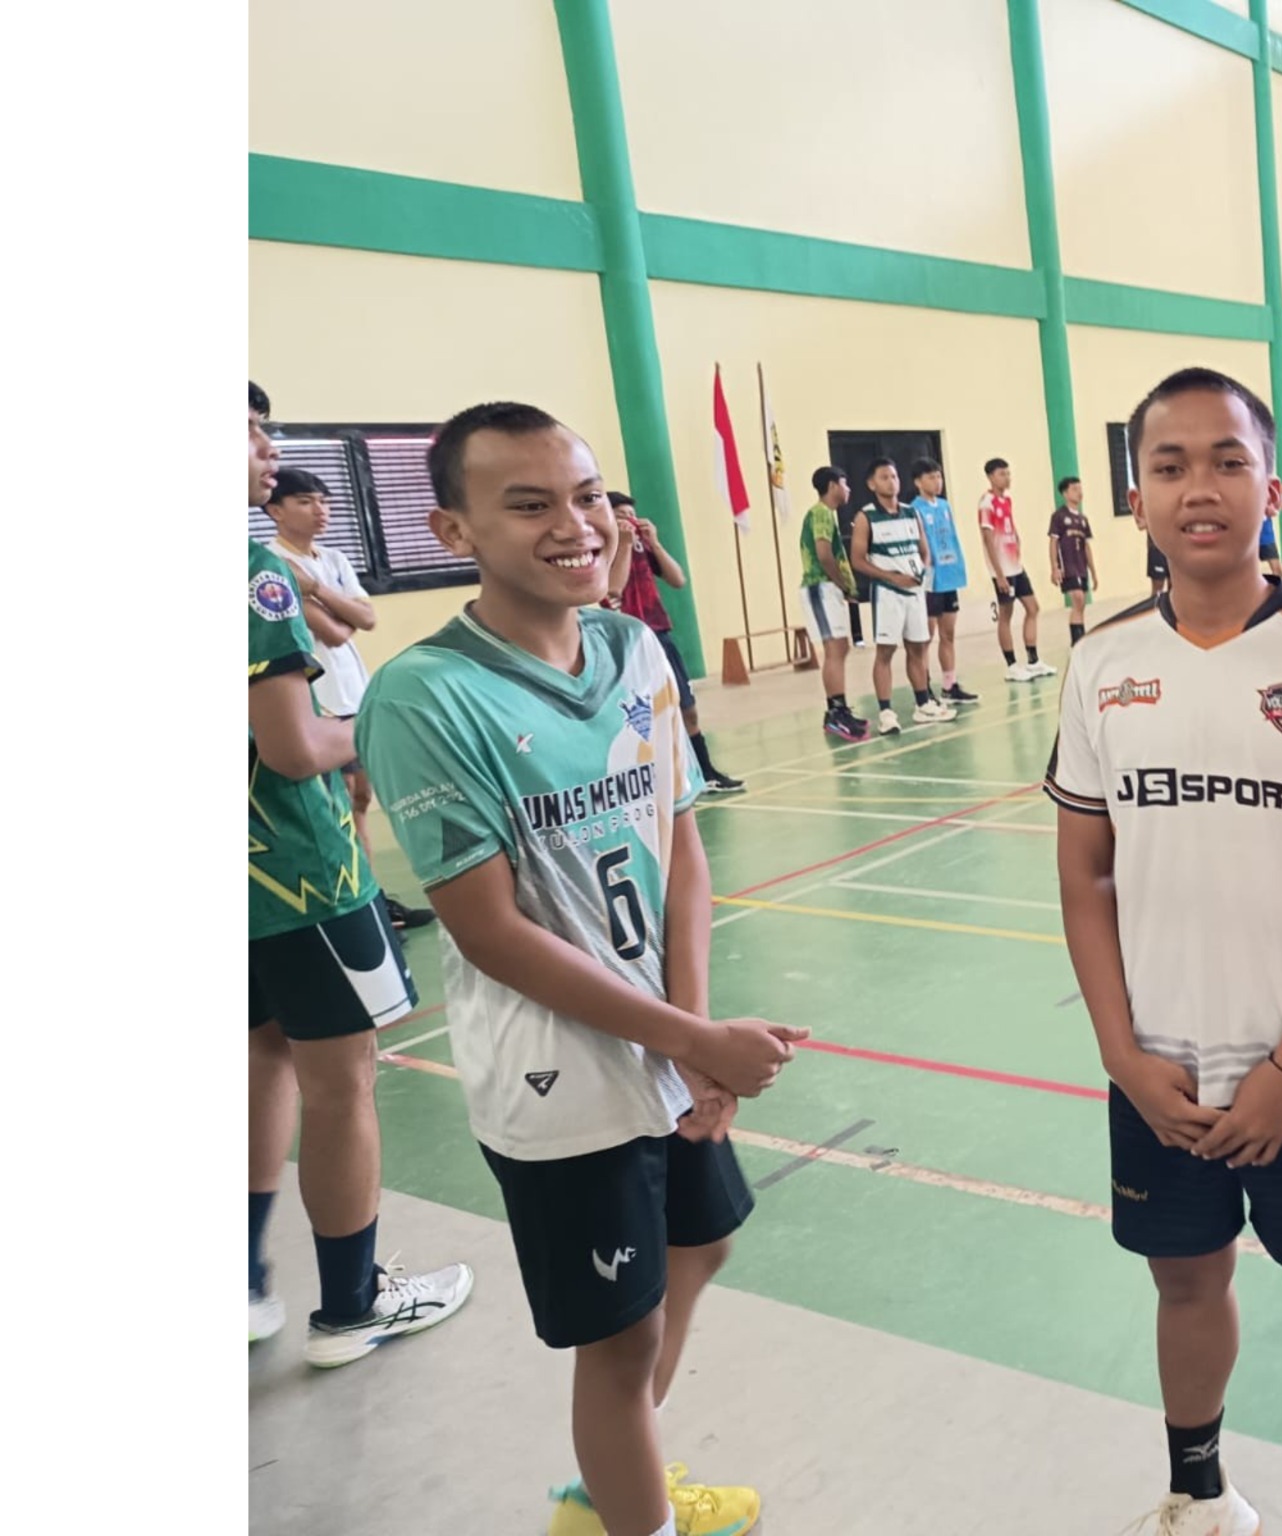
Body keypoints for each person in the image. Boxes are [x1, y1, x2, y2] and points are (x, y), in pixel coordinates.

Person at [359, 400, 809, 1536]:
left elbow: (681, 848)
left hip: (664, 1040)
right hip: (557, 1079)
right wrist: (692, 1041)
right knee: (619, 1339)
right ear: (453, 530)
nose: (576, 525)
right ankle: (626, 1511)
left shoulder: (630, 647)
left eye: (589, 495)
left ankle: (614, 1487)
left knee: (701, 1242)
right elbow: (488, 932)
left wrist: (694, 1039)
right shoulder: (426, 695)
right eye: (529, 505)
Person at [1051, 365, 1282, 1536]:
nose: (1198, 489)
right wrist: (1120, 1056)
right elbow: (1085, 874)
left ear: (1272, 486)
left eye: (1226, 461)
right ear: (1137, 497)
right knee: (1186, 1280)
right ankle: (1197, 1490)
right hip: (1160, 1069)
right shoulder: (1100, 662)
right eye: (1169, 466)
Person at [245, 382, 474, 1366]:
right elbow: (294, 748)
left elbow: (347, 629)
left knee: (259, 1058)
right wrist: (375, 726)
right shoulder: (249, 570)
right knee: (341, 1083)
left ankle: (242, 1282)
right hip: (294, 872)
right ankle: (351, 1306)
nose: (266, 448)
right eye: (249, 430)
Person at [262, 466, 434, 931]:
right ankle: (358, 905)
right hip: (317, 700)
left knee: (361, 797)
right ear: (275, 510)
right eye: (305, 501)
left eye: (324, 501)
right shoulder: (271, 564)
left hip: (354, 693)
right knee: (336, 805)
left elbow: (367, 618)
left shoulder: (333, 559)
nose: (320, 510)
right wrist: (339, 610)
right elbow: (338, 632)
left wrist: (316, 590)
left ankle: (375, 899)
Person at [603, 492, 744, 793]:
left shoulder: (641, 545)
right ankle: (655, 781)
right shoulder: (603, 549)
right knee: (643, 717)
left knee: (687, 707)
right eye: (621, 516)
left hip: (658, 633)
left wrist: (654, 542)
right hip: (626, 641)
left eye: (632, 515)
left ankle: (705, 772)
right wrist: (624, 544)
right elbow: (613, 589)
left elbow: (678, 579)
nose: (630, 521)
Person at [850, 458, 949, 734]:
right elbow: (857, 560)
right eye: (884, 477)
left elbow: (924, 550)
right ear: (871, 484)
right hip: (888, 594)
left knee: (918, 648)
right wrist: (892, 577)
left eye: (894, 476)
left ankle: (923, 704)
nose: (891, 482)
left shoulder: (911, 513)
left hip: (914, 592)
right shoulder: (865, 517)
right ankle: (886, 712)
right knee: (885, 652)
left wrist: (921, 571)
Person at [798, 465, 867, 741]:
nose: (848, 489)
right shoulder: (821, 513)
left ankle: (840, 708)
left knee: (840, 647)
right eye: (844, 483)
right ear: (832, 486)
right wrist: (842, 583)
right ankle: (835, 713)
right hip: (820, 587)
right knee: (834, 649)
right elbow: (824, 554)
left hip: (828, 588)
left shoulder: (827, 514)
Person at [910, 458, 980, 706]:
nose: (937, 481)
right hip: (930, 581)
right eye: (931, 477)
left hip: (950, 577)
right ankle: (924, 688)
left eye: (939, 476)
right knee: (925, 638)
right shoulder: (914, 509)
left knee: (948, 634)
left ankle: (949, 686)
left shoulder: (945, 506)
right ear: (918, 482)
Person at [978, 458, 1053, 682]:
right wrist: (999, 574)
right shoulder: (986, 503)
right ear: (991, 477)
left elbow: (1009, 525)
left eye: (1008, 473)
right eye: (1002, 474)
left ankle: (1033, 660)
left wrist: (1017, 540)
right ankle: (1011, 665)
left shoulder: (1006, 500)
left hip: (1016, 567)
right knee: (1006, 615)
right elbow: (988, 539)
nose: (1007, 478)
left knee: (1033, 607)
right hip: (1002, 571)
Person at [1050, 476, 1097, 646]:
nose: (1079, 493)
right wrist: (1055, 567)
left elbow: (1086, 546)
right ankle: (1077, 642)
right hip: (1068, 567)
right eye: (1075, 489)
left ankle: (1080, 639)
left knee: (1081, 603)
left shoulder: (1083, 519)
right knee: (1077, 599)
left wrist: (1093, 572)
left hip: (1081, 566)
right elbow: (1053, 542)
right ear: (1065, 493)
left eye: (1080, 489)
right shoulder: (1059, 516)